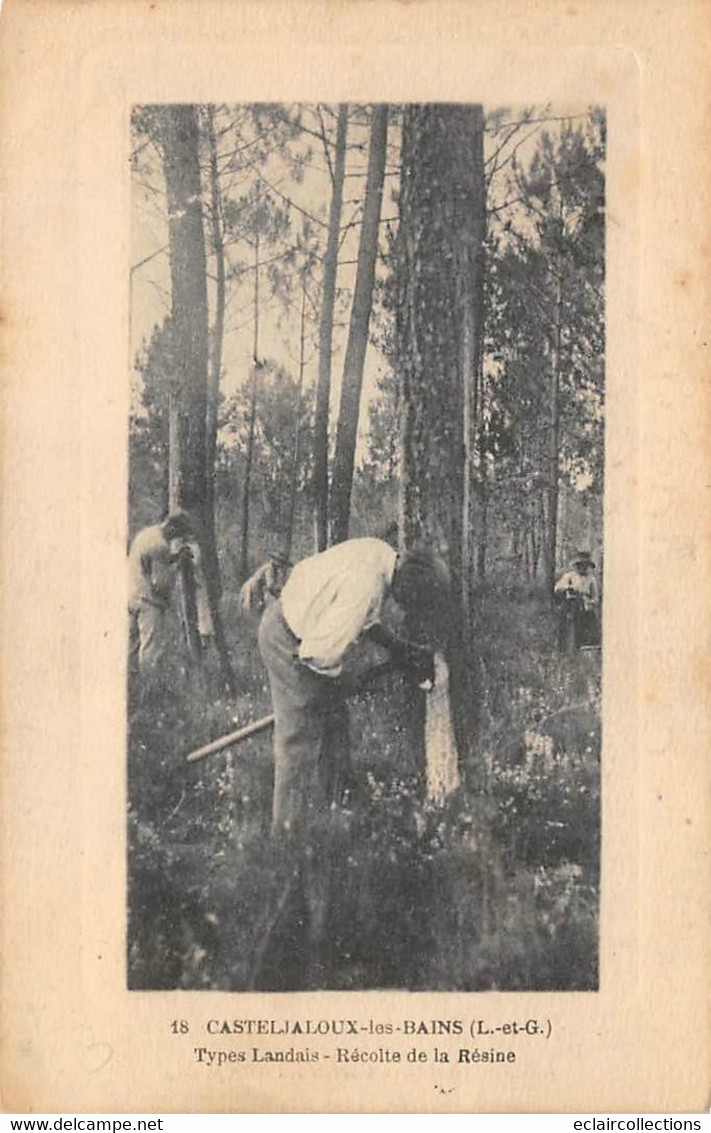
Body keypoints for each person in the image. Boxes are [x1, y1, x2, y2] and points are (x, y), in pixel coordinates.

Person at [257, 536, 449, 836]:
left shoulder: (382, 555)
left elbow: (364, 619)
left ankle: (332, 814)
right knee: (299, 735)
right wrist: (352, 681)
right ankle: (285, 839)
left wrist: (398, 648)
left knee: (336, 724)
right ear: (406, 588)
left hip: (308, 627)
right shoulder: (367, 584)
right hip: (286, 638)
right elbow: (318, 655)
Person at [128, 510, 194, 672]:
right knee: (151, 651)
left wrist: (174, 557)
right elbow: (159, 584)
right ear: (172, 529)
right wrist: (179, 564)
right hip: (148, 602)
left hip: (133, 595)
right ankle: (151, 690)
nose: (177, 540)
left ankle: (135, 688)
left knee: (132, 648)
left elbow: (153, 565)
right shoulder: (160, 545)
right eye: (179, 535)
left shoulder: (147, 535)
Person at [554, 550, 600, 651]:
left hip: (585, 606)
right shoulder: (569, 576)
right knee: (566, 627)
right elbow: (557, 588)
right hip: (570, 604)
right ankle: (565, 649)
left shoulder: (591, 579)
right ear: (576, 565)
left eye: (585, 565)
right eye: (580, 565)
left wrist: (590, 602)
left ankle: (583, 649)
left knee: (586, 629)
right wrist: (568, 587)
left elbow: (596, 597)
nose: (582, 568)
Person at [239, 550, 291, 616]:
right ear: (275, 561)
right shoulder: (270, 568)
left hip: (256, 591)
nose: (281, 565)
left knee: (259, 608)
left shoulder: (274, 571)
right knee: (249, 613)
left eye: (282, 563)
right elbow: (270, 586)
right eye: (280, 562)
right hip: (250, 590)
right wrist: (280, 594)